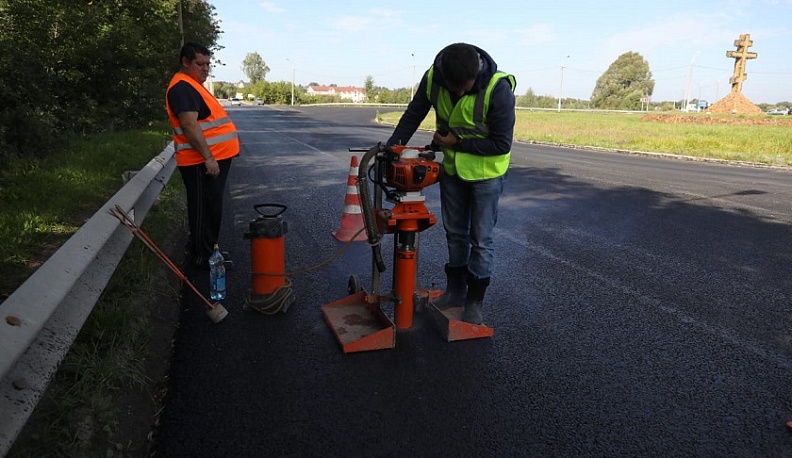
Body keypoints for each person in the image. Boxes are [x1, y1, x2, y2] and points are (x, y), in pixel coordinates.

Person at [386, 43, 516, 324]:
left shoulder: (498, 88)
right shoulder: (434, 78)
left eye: (464, 89)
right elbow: (414, 113)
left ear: (475, 74)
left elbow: (502, 143)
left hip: (488, 173)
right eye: (453, 88)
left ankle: (474, 303)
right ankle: (455, 293)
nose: (457, 94)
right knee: (455, 233)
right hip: (453, 170)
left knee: (481, 239)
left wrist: (458, 142)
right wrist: (391, 149)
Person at [165, 42, 239, 269]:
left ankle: (210, 251)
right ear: (185, 62)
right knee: (203, 210)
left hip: (210, 160)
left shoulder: (193, 85)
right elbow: (189, 125)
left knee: (212, 208)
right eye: (200, 64)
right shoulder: (182, 88)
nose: (206, 69)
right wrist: (208, 157)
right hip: (200, 163)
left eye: (208, 64)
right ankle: (202, 258)